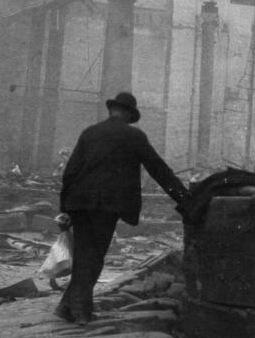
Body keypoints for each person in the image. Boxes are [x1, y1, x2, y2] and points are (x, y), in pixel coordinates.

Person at [56, 91, 191, 323]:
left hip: (79, 202)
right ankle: (80, 312)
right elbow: (158, 170)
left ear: (112, 110)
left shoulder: (89, 133)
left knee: (84, 255)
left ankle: (67, 306)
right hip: (106, 205)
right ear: (129, 114)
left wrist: (65, 208)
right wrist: (186, 199)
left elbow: (70, 173)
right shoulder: (134, 136)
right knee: (93, 257)